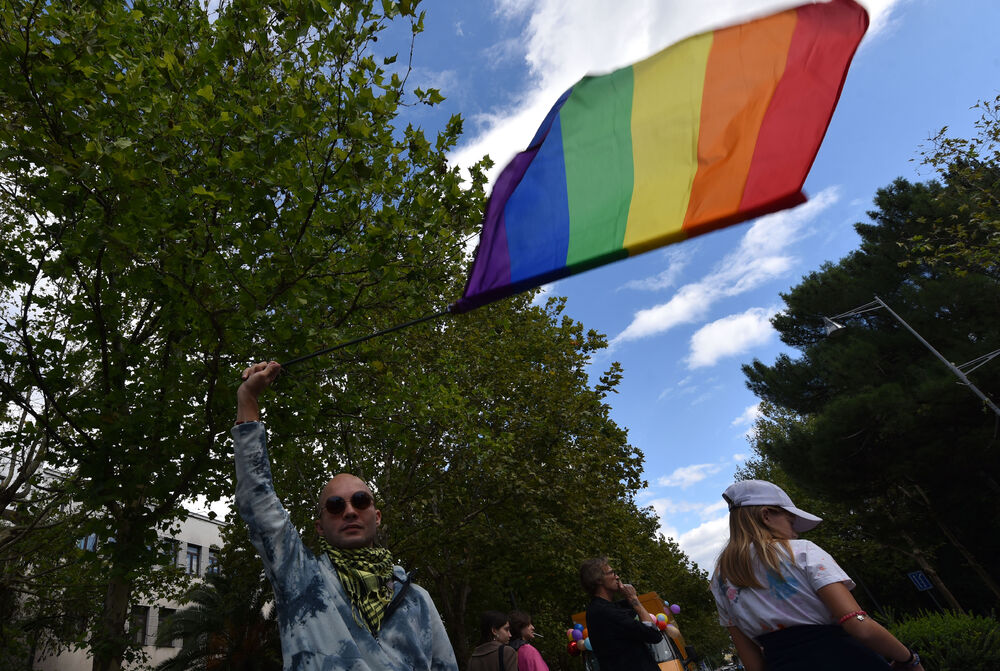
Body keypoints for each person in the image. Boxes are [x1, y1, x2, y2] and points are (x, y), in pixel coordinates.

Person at [233, 361, 459, 671]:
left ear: (377, 516)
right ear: (320, 526)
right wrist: (248, 400)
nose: (350, 511)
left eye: (361, 501)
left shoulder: (417, 599)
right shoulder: (301, 578)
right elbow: (258, 503)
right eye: (336, 505)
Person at [712, 479, 926, 671]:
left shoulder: (720, 580)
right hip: (847, 660)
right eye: (790, 522)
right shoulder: (803, 552)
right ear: (766, 515)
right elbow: (857, 624)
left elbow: (753, 665)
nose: (795, 532)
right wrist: (909, 659)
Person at [580, 557, 663, 671]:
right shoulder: (605, 612)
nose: (617, 577)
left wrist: (630, 600)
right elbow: (654, 635)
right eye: (612, 573)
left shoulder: (601, 609)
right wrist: (633, 599)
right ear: (598, 580)